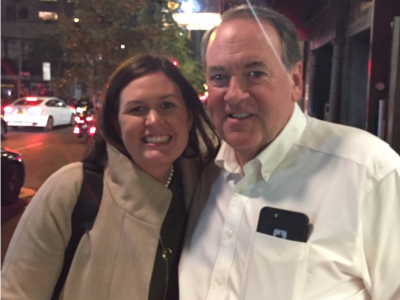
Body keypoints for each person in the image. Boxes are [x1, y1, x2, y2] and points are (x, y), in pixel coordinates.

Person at [179, 5, 400, 300]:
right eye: (219, 77)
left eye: (255, 73)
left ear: (296, 81)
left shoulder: (368, 171)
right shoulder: (203, 173)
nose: (233, 94)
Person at [0, 54, 219, 300]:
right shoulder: (70, 191)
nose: (154, 120)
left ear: (189, 117)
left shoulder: (205, 186)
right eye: (137, 109)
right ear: (116, 123)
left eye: (167, 105)